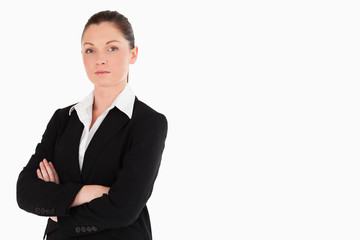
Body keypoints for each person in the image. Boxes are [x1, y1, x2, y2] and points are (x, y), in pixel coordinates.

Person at [16, 10, 168, 240]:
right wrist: (86, 193)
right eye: (90, 50)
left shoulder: (148, 123)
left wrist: (59, 206)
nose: (100, 59)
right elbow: (25, 191)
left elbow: (124, 208)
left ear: (133, 54)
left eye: (112, 48)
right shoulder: (63, 118)